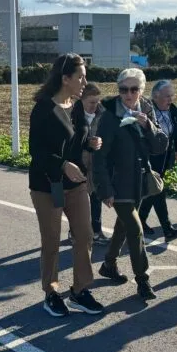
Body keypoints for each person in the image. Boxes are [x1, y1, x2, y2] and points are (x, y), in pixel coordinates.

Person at [28, 53, 104, 317]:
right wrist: (62, 165)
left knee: (84, 236)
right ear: (65, 78)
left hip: (76, 183)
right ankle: (51, 293)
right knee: (51, 241)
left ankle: (80, 290)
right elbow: (36, 151)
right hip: (47, 185)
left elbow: (76, 140)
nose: (85, 81)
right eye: (80, 76)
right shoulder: (44, 109)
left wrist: (89, 144)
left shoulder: (78, 106)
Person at [93, 68, 167, 301]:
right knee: (135, 230)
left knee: (123, 226)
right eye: (123, 89)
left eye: (134, 89)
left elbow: (160, 146)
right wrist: (104, 189)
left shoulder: (146, 109)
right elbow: (100, 156)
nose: (128, 94)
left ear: (141, 90)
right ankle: (143, 280)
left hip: (139, 182)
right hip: (118, 182)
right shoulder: (109, 115)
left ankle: (108, 264)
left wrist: (148, 127)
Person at [139, 80, 177, 241]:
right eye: (167, 96)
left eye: (172, 95)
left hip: (165, 158)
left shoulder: (172, 110)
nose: (171, 99)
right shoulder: (147, 110)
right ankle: (167, 229)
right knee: (158, 190)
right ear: (156, 96)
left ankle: (140, 220)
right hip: (149, 158)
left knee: (153, 191)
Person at [70, 83, 109, 245]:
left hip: (97, 162)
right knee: (77, 200)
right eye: (91, 102)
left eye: (97, 102)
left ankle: (96, 231)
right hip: (78, 162)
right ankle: (74, 231)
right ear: (82, 100)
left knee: (96, 197)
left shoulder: (103, 114)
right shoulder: (72, 115)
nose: (95, 105)